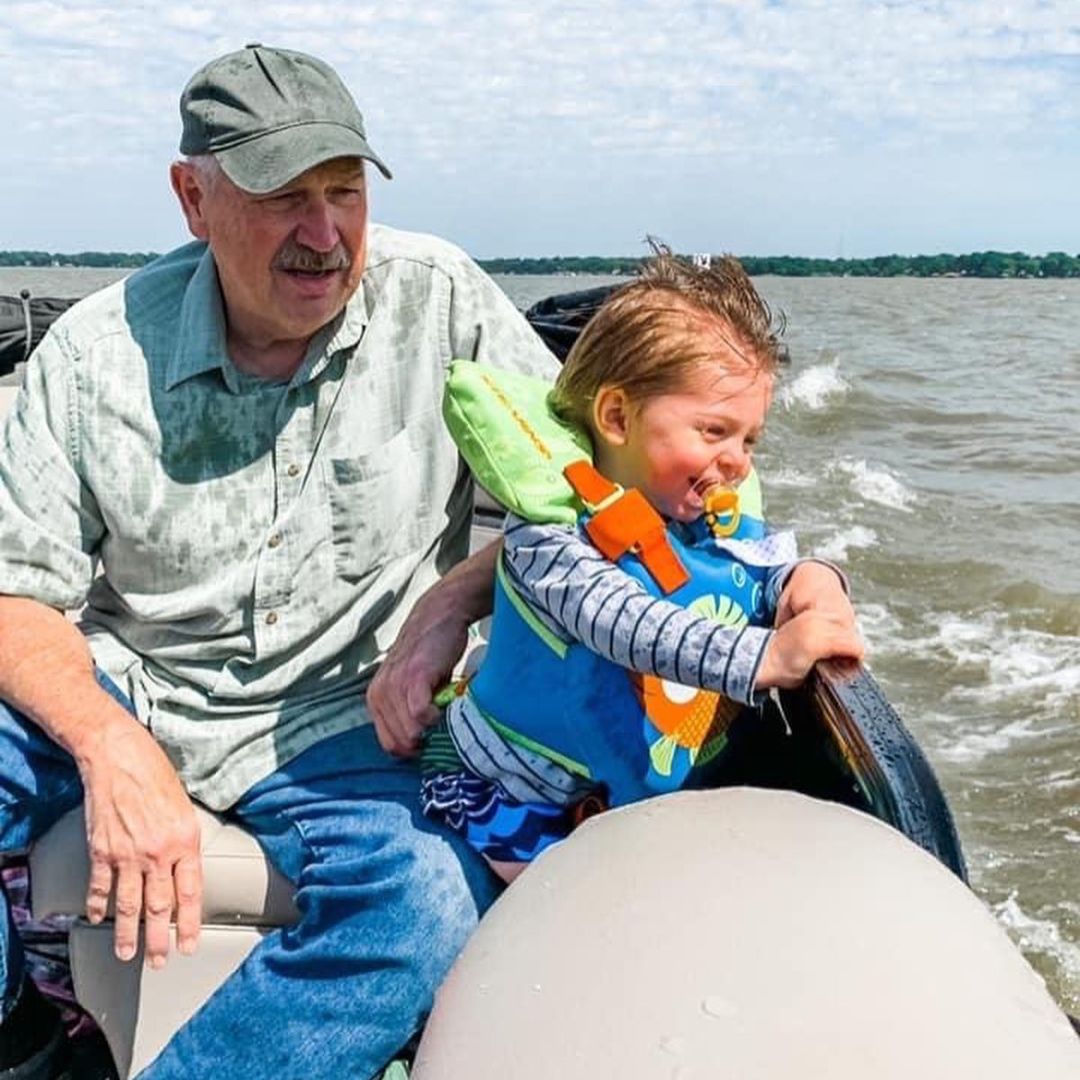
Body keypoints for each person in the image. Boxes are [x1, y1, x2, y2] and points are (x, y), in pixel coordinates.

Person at [0, 44, 559, 1080]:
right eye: (282, 197)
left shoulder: (442, 301)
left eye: (343, 192)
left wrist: (450, 602)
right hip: (137, 682)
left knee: (433, 900)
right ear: (192, 199)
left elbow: (578, 505)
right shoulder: (87, 356)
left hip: (349, 713)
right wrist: (109, 747)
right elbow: (14, 595)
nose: (325, 234)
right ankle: (19, 1030)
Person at [420, 253, 864, 881]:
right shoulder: (546, 543)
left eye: (749, 440)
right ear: (617, 418)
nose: (737, 462)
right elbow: (628, 626)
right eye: (714, 431)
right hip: (507, 795)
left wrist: (813, 580)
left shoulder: (700, 520)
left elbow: (760, 571)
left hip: (609, 800)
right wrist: (767, 660)